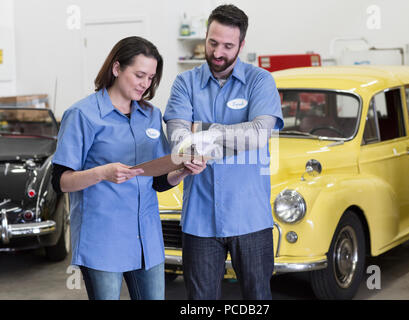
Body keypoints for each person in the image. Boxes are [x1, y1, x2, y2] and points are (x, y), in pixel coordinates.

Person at [51, 36, 205, 300]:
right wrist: (102, 172)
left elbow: (156, 180)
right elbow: (61, 181)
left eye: (151, 78)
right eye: (139, 75)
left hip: (147, 239)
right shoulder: (82, 115)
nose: (145, 84)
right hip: (103, 240)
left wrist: (181, 170)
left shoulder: (152, 115)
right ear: (116, 68)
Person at [164, 5, 284, 300]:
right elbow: (178, 137)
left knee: (258, 299)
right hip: (200, 219)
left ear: (242, 45)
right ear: (206, 37)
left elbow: (258, 135)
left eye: (228, 46)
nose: (218, 52)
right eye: (212, 42)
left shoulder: (260, 81)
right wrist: (219, 136)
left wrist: (203, 131)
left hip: (250, 218)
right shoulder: (185, 83)